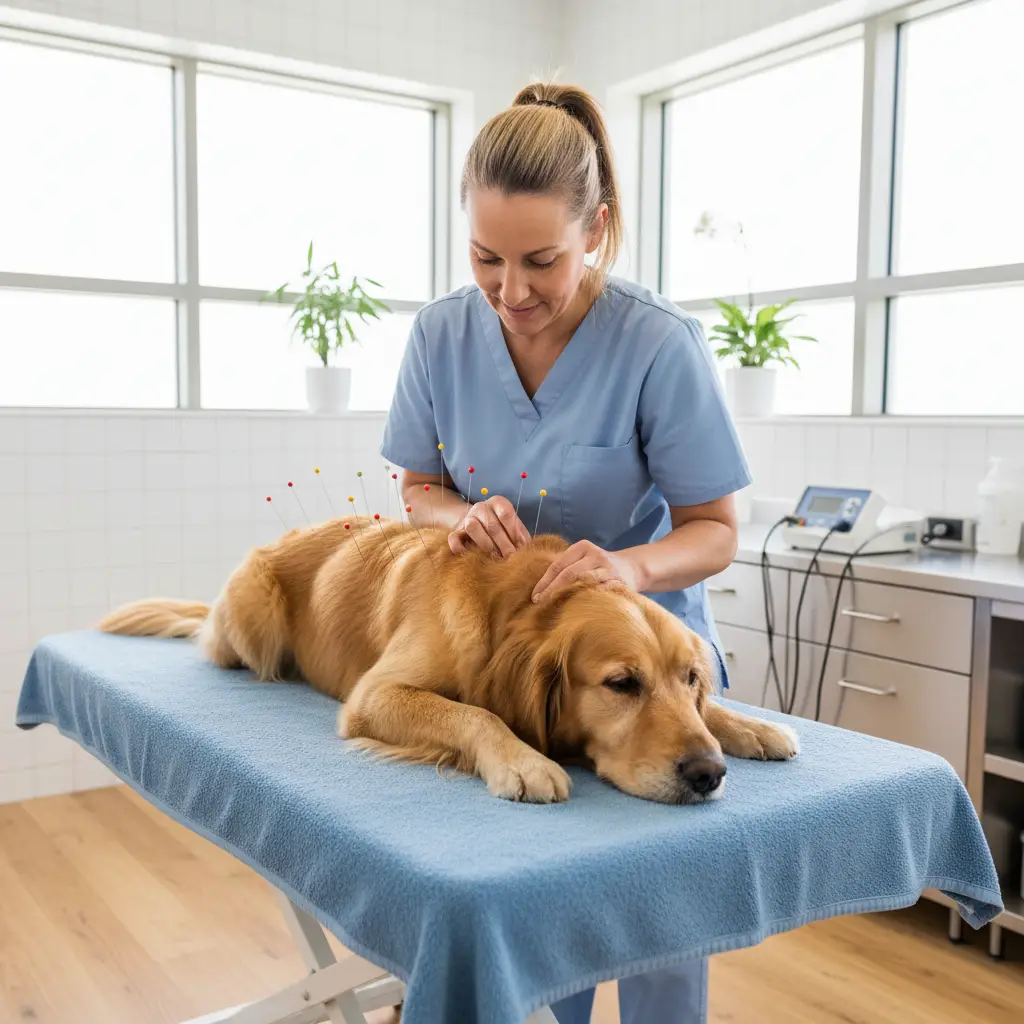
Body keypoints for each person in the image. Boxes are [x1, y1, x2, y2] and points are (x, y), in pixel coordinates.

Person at [380, 81, 750, 1024]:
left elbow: (715, 527)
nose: (512, 292)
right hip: (523, 676)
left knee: (662, 926)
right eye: (485, 259)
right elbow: (416, 491)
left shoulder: (658, 345)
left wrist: (629, 567)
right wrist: (452, 518)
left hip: (649, 665)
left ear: (599, 232)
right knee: (547, 926)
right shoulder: (438, 336)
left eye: (541, 260)